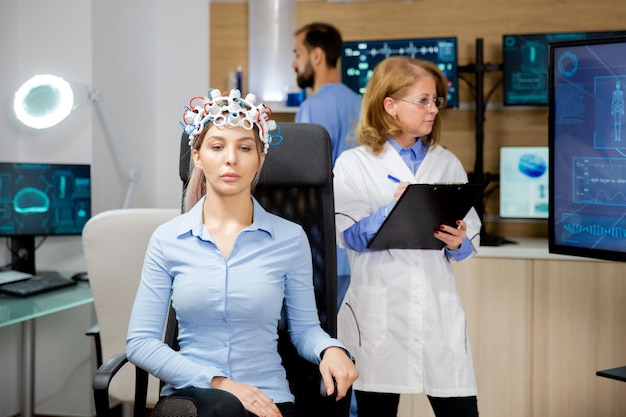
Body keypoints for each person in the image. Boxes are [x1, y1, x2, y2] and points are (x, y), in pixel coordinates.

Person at [126, 88, 359, 417]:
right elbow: (141, 342)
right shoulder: (168, 239)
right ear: (197, 156)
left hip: (268, 398)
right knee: (219, 409)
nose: (230, 158)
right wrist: (220, 383)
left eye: (245, 147)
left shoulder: (290, 238)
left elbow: (305, 329)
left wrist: (329, 348)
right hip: (192, 397)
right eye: (217, 146)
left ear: (260, 158)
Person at [333, 56, 482, 417]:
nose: (433, 109)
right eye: (423, 100)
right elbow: (348, 235)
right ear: (391, 105)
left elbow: (468, 241)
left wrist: (458, 241)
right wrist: (394, 208)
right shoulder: (354, 164)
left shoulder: (445, 161)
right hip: (379, 314)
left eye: (436, 101)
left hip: (436, 310)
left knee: (461, 410)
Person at [292, 22, 361, 310]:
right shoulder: (360, 103)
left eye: (297, 54)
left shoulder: (313, 107)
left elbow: (300, 182)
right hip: (355, 247)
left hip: (324, 249)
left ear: (317, 56)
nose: (295, 64)